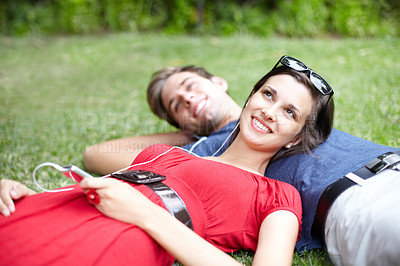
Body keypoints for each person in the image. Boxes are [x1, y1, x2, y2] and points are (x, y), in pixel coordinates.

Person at [0, 56, 334, 265]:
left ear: (295, 137)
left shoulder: (276, 195)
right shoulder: (167, 153)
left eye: (289, 112)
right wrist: (23, 193)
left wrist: (146, 215)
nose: (269, 111)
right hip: (43, 210)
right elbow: (99, 156)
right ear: (249, 97)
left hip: (110, 244)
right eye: (267, 95)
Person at [83, 65, 242, 175]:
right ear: (184, 125)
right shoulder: (203, 152)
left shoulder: (263, 105)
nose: (187, 97)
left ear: (219, 82)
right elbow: (95, 154)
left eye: (190, 85)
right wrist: (186, 136)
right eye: (177, 105)